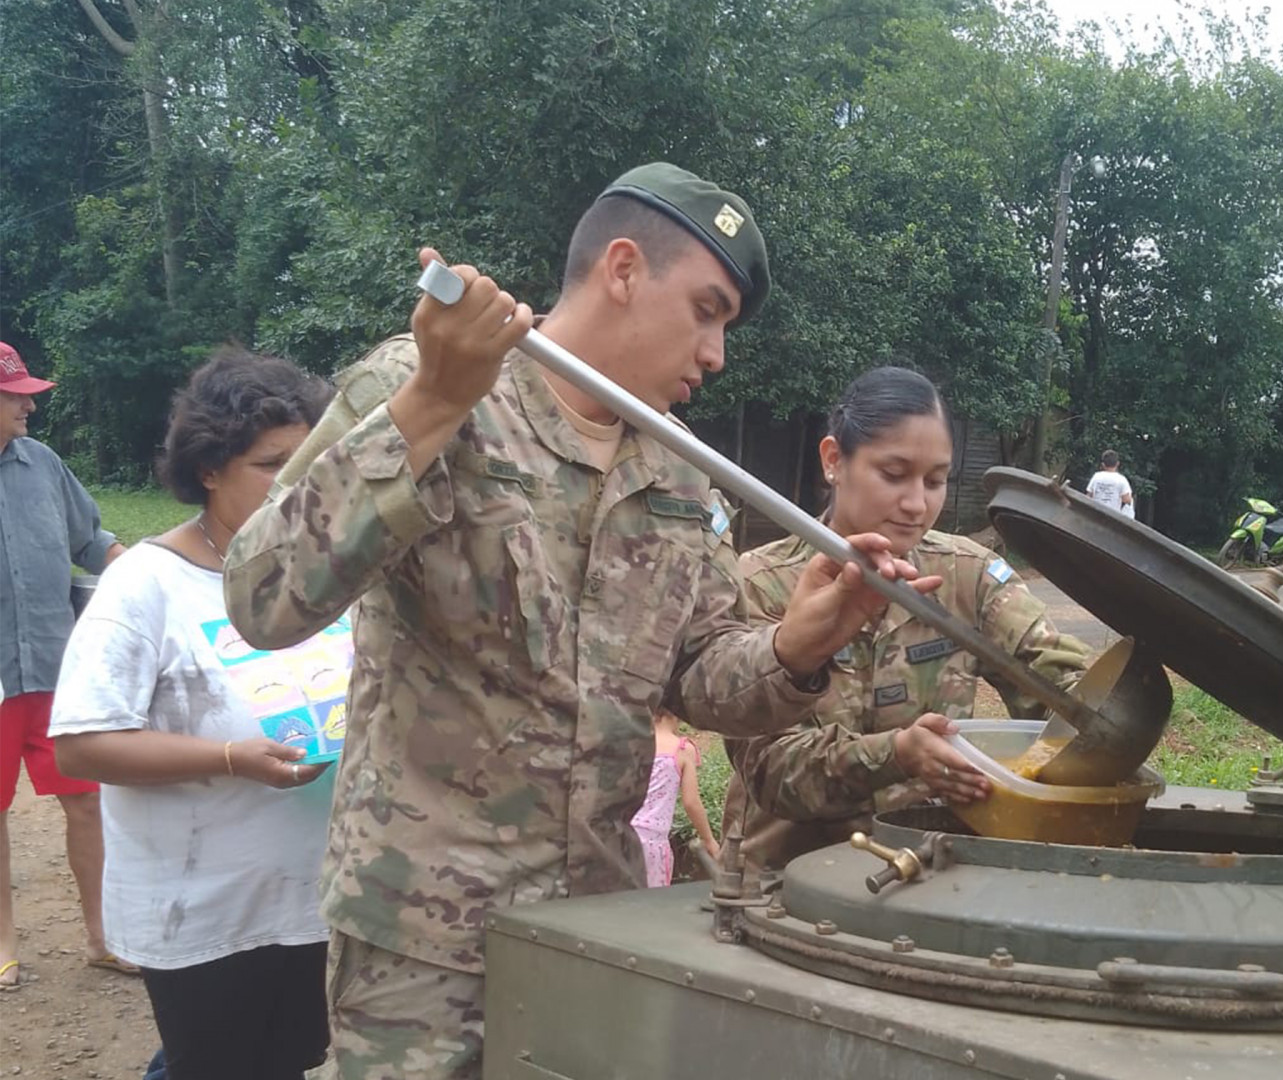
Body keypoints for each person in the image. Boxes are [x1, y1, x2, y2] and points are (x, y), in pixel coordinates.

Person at [222, 162, 930, 1077]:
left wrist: (805, 640)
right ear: (625, 269)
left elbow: (703, 673)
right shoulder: (428, 387)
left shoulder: (678, 475)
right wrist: (436, 401)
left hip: (595, 920)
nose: (717, 353)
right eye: (708, 310)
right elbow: (263, 597)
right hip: (423, 931)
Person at [48, 347, 338, 1080]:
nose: (295, 482)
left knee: (288, 1062)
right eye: (272, 464)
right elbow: (80, 745)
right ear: (209, 469)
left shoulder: (325, 572)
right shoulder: (146, 586)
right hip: (203, 910)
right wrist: (231, 759)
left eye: (308, 460)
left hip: (317, 896)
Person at [722, 367, 1092, 875]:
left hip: (930, 880)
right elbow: (770, 770)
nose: (918, 504)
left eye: (937, 480)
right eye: (894, 475)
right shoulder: (761, 583)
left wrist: (1108, 702)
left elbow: (1065, 693)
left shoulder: (970, 577)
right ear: (834, 460)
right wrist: (896, 754)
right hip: (782, 886)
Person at [0, 340, 128, 990]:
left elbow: (90, 538)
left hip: (55, 666)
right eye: (16, 395)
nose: (28, 405)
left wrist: (134, 567)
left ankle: (102, 938)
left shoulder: (43, 464)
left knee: (86, 800)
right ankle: (4, 944)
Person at [631, 709, 720, 887]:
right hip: (653, 843)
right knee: (653, 907)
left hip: (623, 837)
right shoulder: (683, 749)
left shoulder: (633, 744)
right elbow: (691, 802)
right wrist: (709, 840)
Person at [1086, 449, 1134, 519]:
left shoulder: (1096, 477)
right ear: (1117, 464)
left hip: (1096, 515)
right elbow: (1126, 499)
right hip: (1113, 517)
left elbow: (1089, 496)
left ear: (1103, 464)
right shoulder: (1121, 480)